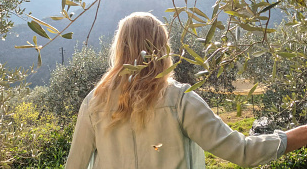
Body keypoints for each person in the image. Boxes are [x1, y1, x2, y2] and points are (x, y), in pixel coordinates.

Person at [65, 12, 307, 169]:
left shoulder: (94, 103)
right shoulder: (179, 100)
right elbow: (243, 152)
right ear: (162, 48)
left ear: (120, 49)